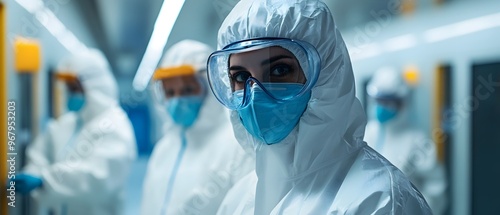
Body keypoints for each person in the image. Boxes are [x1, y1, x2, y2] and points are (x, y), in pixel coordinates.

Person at [206, 0, 433, 214]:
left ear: (326, 76)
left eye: (279, 71)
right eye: (241, 76)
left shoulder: (379, 200)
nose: (254, 93)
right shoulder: (238, 199)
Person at [13, 49, 137, 215]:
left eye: (75, 88)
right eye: (68, 88)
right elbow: (40, 153)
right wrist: (33, 172)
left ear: (94, 87)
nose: (69, 94)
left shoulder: (115, 125)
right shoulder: (67, 123)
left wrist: (45, 180)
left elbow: (98, 178)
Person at [140, 39, 253, 215]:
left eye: (187, 90)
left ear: (210, 87)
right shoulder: (163, 149)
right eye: (170, 93)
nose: (177, 100)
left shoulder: (236, 145)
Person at [364, 67, 448, 215]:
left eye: (387, 101)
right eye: (379, 101)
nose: (381, 107)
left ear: (401, 103)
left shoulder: (417, 140)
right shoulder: (368, 132)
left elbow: (435, 187)